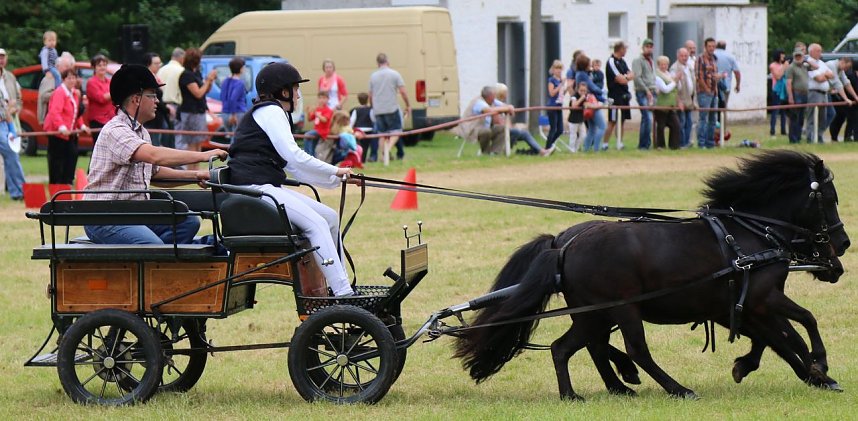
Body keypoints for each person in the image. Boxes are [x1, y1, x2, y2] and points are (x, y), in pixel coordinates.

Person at [228, 62, 358, 297]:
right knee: (317, 224)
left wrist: (335, 178)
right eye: (296, 89)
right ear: (283, 91)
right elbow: (295, 157)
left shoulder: (272, 112)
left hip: (262, 186)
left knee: (329, 217)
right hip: (253, 188)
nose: (298, 95)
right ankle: (343, 293)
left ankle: (339, 286)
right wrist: (335, 171)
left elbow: (292, 166)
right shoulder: (271, 112)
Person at [83, 64, 228, 245]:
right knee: (153, 247)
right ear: (136, 99)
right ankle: (160, 256)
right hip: (105, 216)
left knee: (188, 222)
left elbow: (154, 173)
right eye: (152, 95)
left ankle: (169, 257)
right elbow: (155, 156)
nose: (157, 100)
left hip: (134, 213)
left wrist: (195, 175)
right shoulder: (116, 130)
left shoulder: (141, 132)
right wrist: (203, 155)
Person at [43, 68, 88, 184]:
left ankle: (67, 182)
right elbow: (55, 112)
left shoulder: (74, 93)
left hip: (69, 133)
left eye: (74, 78)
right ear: (63, 79)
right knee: (57, 162)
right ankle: (57, 186)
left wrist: (82, 126)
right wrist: (61, 127)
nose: (72, 80)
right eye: (69, 78)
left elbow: (76, 113)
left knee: (72, 156)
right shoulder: (59, 92)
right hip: (57, 133)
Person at [175, 48, 217, 169]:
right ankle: (190, 171)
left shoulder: (196, 73)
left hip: (199, 111)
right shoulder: (186, 75)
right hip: (190, 113)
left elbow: (204, 91)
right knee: (192, 144)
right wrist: (207, 80)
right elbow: (198, 93)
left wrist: (210, 81)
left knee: (199, 143)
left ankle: (196, 170)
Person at [368, 53, 410, 165]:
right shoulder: (394, 74)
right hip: (391, 108)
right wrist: (408, 105)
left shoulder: (373, 76)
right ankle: (387, 150)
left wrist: (372, 107)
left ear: (378, 63)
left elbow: (370, 95)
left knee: (382, 134)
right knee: (397, 131)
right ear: (388, 61)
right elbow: (403, 92)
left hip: (378, 109)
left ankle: (383, 156)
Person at [0, 48, 25, 200]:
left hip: (8, 122)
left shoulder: (10, 77)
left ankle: (18, 192)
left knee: (12, 154)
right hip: (4, 120)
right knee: (11, 153)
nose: (1, 60)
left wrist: (14, 108)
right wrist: (7, 111)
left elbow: (19, 99)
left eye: (3, 57)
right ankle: (20, 191)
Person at [495, 83, 547, 155]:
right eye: (505, 92)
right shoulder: (496, 104)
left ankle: (539, 150)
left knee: (524, 133)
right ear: (501, 93)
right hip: (499, 130)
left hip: (506, 128)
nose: (507, 94)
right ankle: (506, 150)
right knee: (517, 132)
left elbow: (510, 115)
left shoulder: (503, 104)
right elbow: (498, 121)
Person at [605, 41, 634, 151]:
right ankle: (605, 144)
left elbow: (631, 74)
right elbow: (620, 79)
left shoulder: (622, 61)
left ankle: (620, 143)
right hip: (614, 96)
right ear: (620, 49)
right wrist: (626, 78)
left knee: (622, 120)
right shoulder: (611, 61)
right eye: (625, 49)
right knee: (612, 121)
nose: (626, 51)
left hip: (624, 94)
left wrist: (625, 77)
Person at [575, 54, 607, 154]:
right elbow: (592, 87)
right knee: (602, 127)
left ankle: (586, 149)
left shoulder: (579, 74)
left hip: (586, 102)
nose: (590, 66)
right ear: (584, 65)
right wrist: (602, 91)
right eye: (589, 64)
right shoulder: (583, 75)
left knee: (592, 129)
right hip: (591, 102)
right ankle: (596, 149)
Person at [805, 43, 836, 143]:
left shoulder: (822, 63)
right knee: (812, 116)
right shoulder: (809, 63)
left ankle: (819, 135)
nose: (820, 53)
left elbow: (832, 75)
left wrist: (825, 75)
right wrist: (826, 75)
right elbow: (818, 78)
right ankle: (810, 137)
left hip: (824, 93)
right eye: (818, 51)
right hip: (814, 93)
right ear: (811, 52)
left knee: (823, 117)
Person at [156, 47, 186, 148]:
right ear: (182, 58)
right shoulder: (181, 70)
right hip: (175, 106)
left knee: (165, 136)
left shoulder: (161, 70)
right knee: (177, 136)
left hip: (161, 105)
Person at [696, 38, 722, 149]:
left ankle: (710, 143)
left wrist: (718, 77)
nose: (711, 48)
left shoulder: (715, 59)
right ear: (705, 47)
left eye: (713, 46)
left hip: (714, 91)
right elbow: (699, 76)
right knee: (703, 118)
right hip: (704, 93)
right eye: (709, 46)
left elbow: (713, 74)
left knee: (713, 119)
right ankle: (701, 143)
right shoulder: (700, 59)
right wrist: (706, 89)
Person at [85, 54, 115, 145]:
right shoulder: (91, 82)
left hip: (111, 119)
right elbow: (101, 98)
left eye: (104, 65)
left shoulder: (109, 81)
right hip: (98, 121)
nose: (102, 67)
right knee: (100, 147)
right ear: (94, 67)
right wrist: (115, 91)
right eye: (99, 65)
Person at [632, 38, 656, 149]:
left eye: (651, 47)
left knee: (647, 119)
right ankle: (643, 144)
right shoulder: (638, 61)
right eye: (647, 47)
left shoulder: (651, 61)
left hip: (652, 91)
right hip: (642, 92)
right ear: (643, 48)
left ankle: (646, 143)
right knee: (647, 118)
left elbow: (652, 77)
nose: (649, 49)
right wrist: (646, 90)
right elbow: (637, 77)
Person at [653, 56, 681, 150]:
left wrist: (676, 81)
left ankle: (674, 145)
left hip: (671, 105)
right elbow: (665, 89)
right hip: (661, 105)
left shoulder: (668, 74)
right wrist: (675, 81)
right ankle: (660, 146)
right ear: (658, 65)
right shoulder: (657, 76)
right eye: (662, 64)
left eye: (665, 64)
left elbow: (676, 87)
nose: (664, 66)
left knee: (676, 124)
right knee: (661, 126)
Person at [38, 52, 74, 124]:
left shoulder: (64, 79)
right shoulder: (50, 78)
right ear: (57, 66)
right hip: (49, 119)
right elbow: (43, 96)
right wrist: (60, 94)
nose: (68, 69)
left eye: (69, 67)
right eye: (66, 67)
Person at [671, 48, 696, 148]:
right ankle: (681, 143)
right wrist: (678, 101)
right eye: (682, 56)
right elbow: (674, 87)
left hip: (689, 99)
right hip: (681, 100)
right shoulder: (674, 68)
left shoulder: (689, 67)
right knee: (682, 122)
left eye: (686, 56)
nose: (684, 58)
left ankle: (687, 142)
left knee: (689, 122)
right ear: (678, 56)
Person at [142, 52, 169, 147]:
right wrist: (167, 109)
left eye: (159, 63)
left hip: (158, 115)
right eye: (156, 63)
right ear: (148, 64)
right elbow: (153, 97)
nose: (159, 66)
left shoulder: (156, 77)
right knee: (154, 143)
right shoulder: (147, 78)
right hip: (151, 118)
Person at [220, 56, 248, 144]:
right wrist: (233, 114)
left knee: (231, 138)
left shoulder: (225, 81)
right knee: (237, 139)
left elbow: (222, 96)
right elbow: (233, 98)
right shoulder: (240, 83)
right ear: (241, 68)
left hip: (225, 112)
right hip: (237, 113)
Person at [785, 49, 809, 144]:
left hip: (804, 94)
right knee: (795, 117)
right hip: (796, 93)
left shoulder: (804, 66)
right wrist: (790, 97)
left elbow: (816, 66)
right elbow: (788, 83)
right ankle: (793, 138)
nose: (798, 58)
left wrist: (807, 60)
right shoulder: (791, 68)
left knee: (801, 117)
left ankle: (798, 137)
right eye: (796, 56)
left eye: (800, 56)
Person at [304, 90, 334, 160]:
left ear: (328, 99)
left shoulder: (328, 110)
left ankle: (308, 155)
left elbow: (324, 120)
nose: (321, 100)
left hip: (322, 131)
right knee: (313, 146)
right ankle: (312, 158)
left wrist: (316, 113)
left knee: (307, 135)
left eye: (324, 98)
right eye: (320, 98)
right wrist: (308, 112)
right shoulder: (317, 109)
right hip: (316, 130)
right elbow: (310, 119)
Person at [544, 60, 565, 154]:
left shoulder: (560, 80)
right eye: (557, 68)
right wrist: (560, 86)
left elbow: (561, 94)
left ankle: (550, 144)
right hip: (552, 106)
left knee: (560, 129)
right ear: (553, 69)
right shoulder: (551, 80)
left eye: (560, 68)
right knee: (553, 128)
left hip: (559, 106)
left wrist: (565, 88)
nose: (559, 70)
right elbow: (552, 93)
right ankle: (547, 148)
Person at [714, 41, 741, 109]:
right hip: (725, 85)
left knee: (713, 106)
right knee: (724, 106)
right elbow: (737, 72)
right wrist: (737, 85)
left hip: (713, 85)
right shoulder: (730, 57)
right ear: (725, 47)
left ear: (716, 46)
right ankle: (724, 114)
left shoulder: (712, 55)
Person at [349, 92, 375, 162]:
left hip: (358, 131)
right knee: (366, 146)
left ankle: (360, 159)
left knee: (359, 146)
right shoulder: (371, 109)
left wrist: (350, 129)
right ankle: (364, 159)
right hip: (369, 130)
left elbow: (352, 121)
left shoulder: (356, 110)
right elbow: (373, 119)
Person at [569, 83, 593, 152]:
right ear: (577, 89)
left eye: (584, 91)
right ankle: (571, 149)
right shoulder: (574, 96)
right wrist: (581, 98)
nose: (583, 92)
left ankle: (576, 147)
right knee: (573, 135)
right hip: (573, 119)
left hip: (581, 119)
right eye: (581, 90)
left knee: (583, 135)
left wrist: (588, 104)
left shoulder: (586, 97)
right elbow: (574, 105)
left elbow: (588, 104)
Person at [769, 50, 788, 137]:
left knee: (784, 111)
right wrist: (784, 67)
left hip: (784, 90)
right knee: (775, 110)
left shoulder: (784, 65)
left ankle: (783, 130)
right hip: (776, 90)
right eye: (782, 55)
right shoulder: (773, 65)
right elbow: (778, 76)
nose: (783, 57)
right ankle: (772, 129)